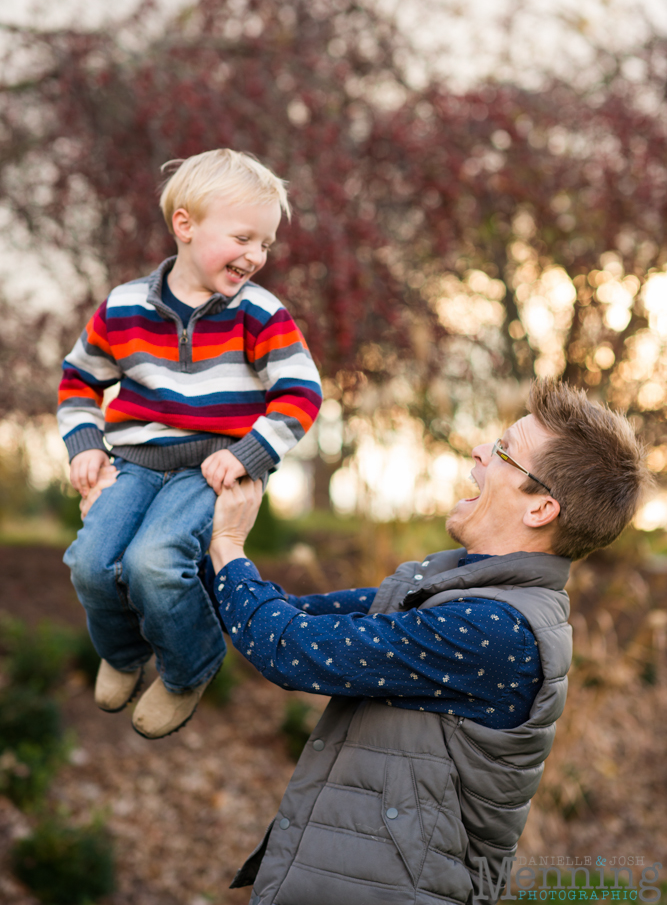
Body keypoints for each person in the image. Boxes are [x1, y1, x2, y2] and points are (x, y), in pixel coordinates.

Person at [204, 380, 648, 904]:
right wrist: (178, 541)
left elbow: (288, 647)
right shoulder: (445, 587)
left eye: (503, 451)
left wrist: (229, 544)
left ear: (540, 510)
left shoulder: (495, 631)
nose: (479, 451)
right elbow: (290, 614)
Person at [58, 149, 322, 739]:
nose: (255, 256)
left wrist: (249, 453)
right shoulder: (123, 307)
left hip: (212, 470)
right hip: (134, 464)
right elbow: (78, 380)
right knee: (92, 563)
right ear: (185, 224)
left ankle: (188, 667)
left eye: (266, 244)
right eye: (243, 237)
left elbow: (301, 393)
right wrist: (83, 444)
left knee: (153, 562)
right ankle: (125, 654)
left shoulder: (260, 313)